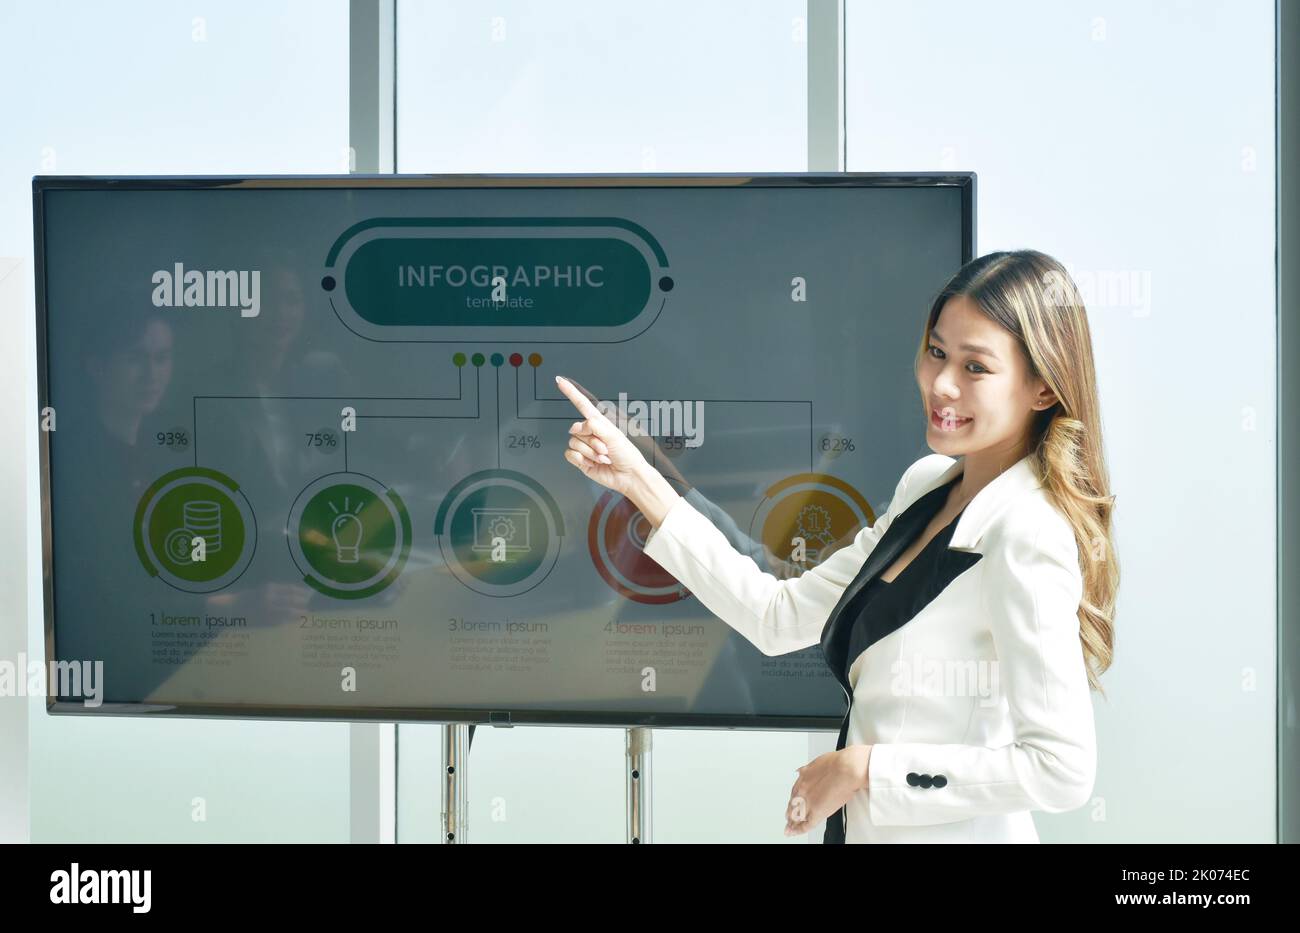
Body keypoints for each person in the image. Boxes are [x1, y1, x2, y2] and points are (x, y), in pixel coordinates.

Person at [556, 249, 1118, 843]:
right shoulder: (925, 486)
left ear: (1043, 391)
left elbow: (1062, 770)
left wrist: (865, 768)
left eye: (976, 367)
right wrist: (639, 478)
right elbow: (778, 616)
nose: (942, 384)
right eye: (936, 352)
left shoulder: (1028, 534)